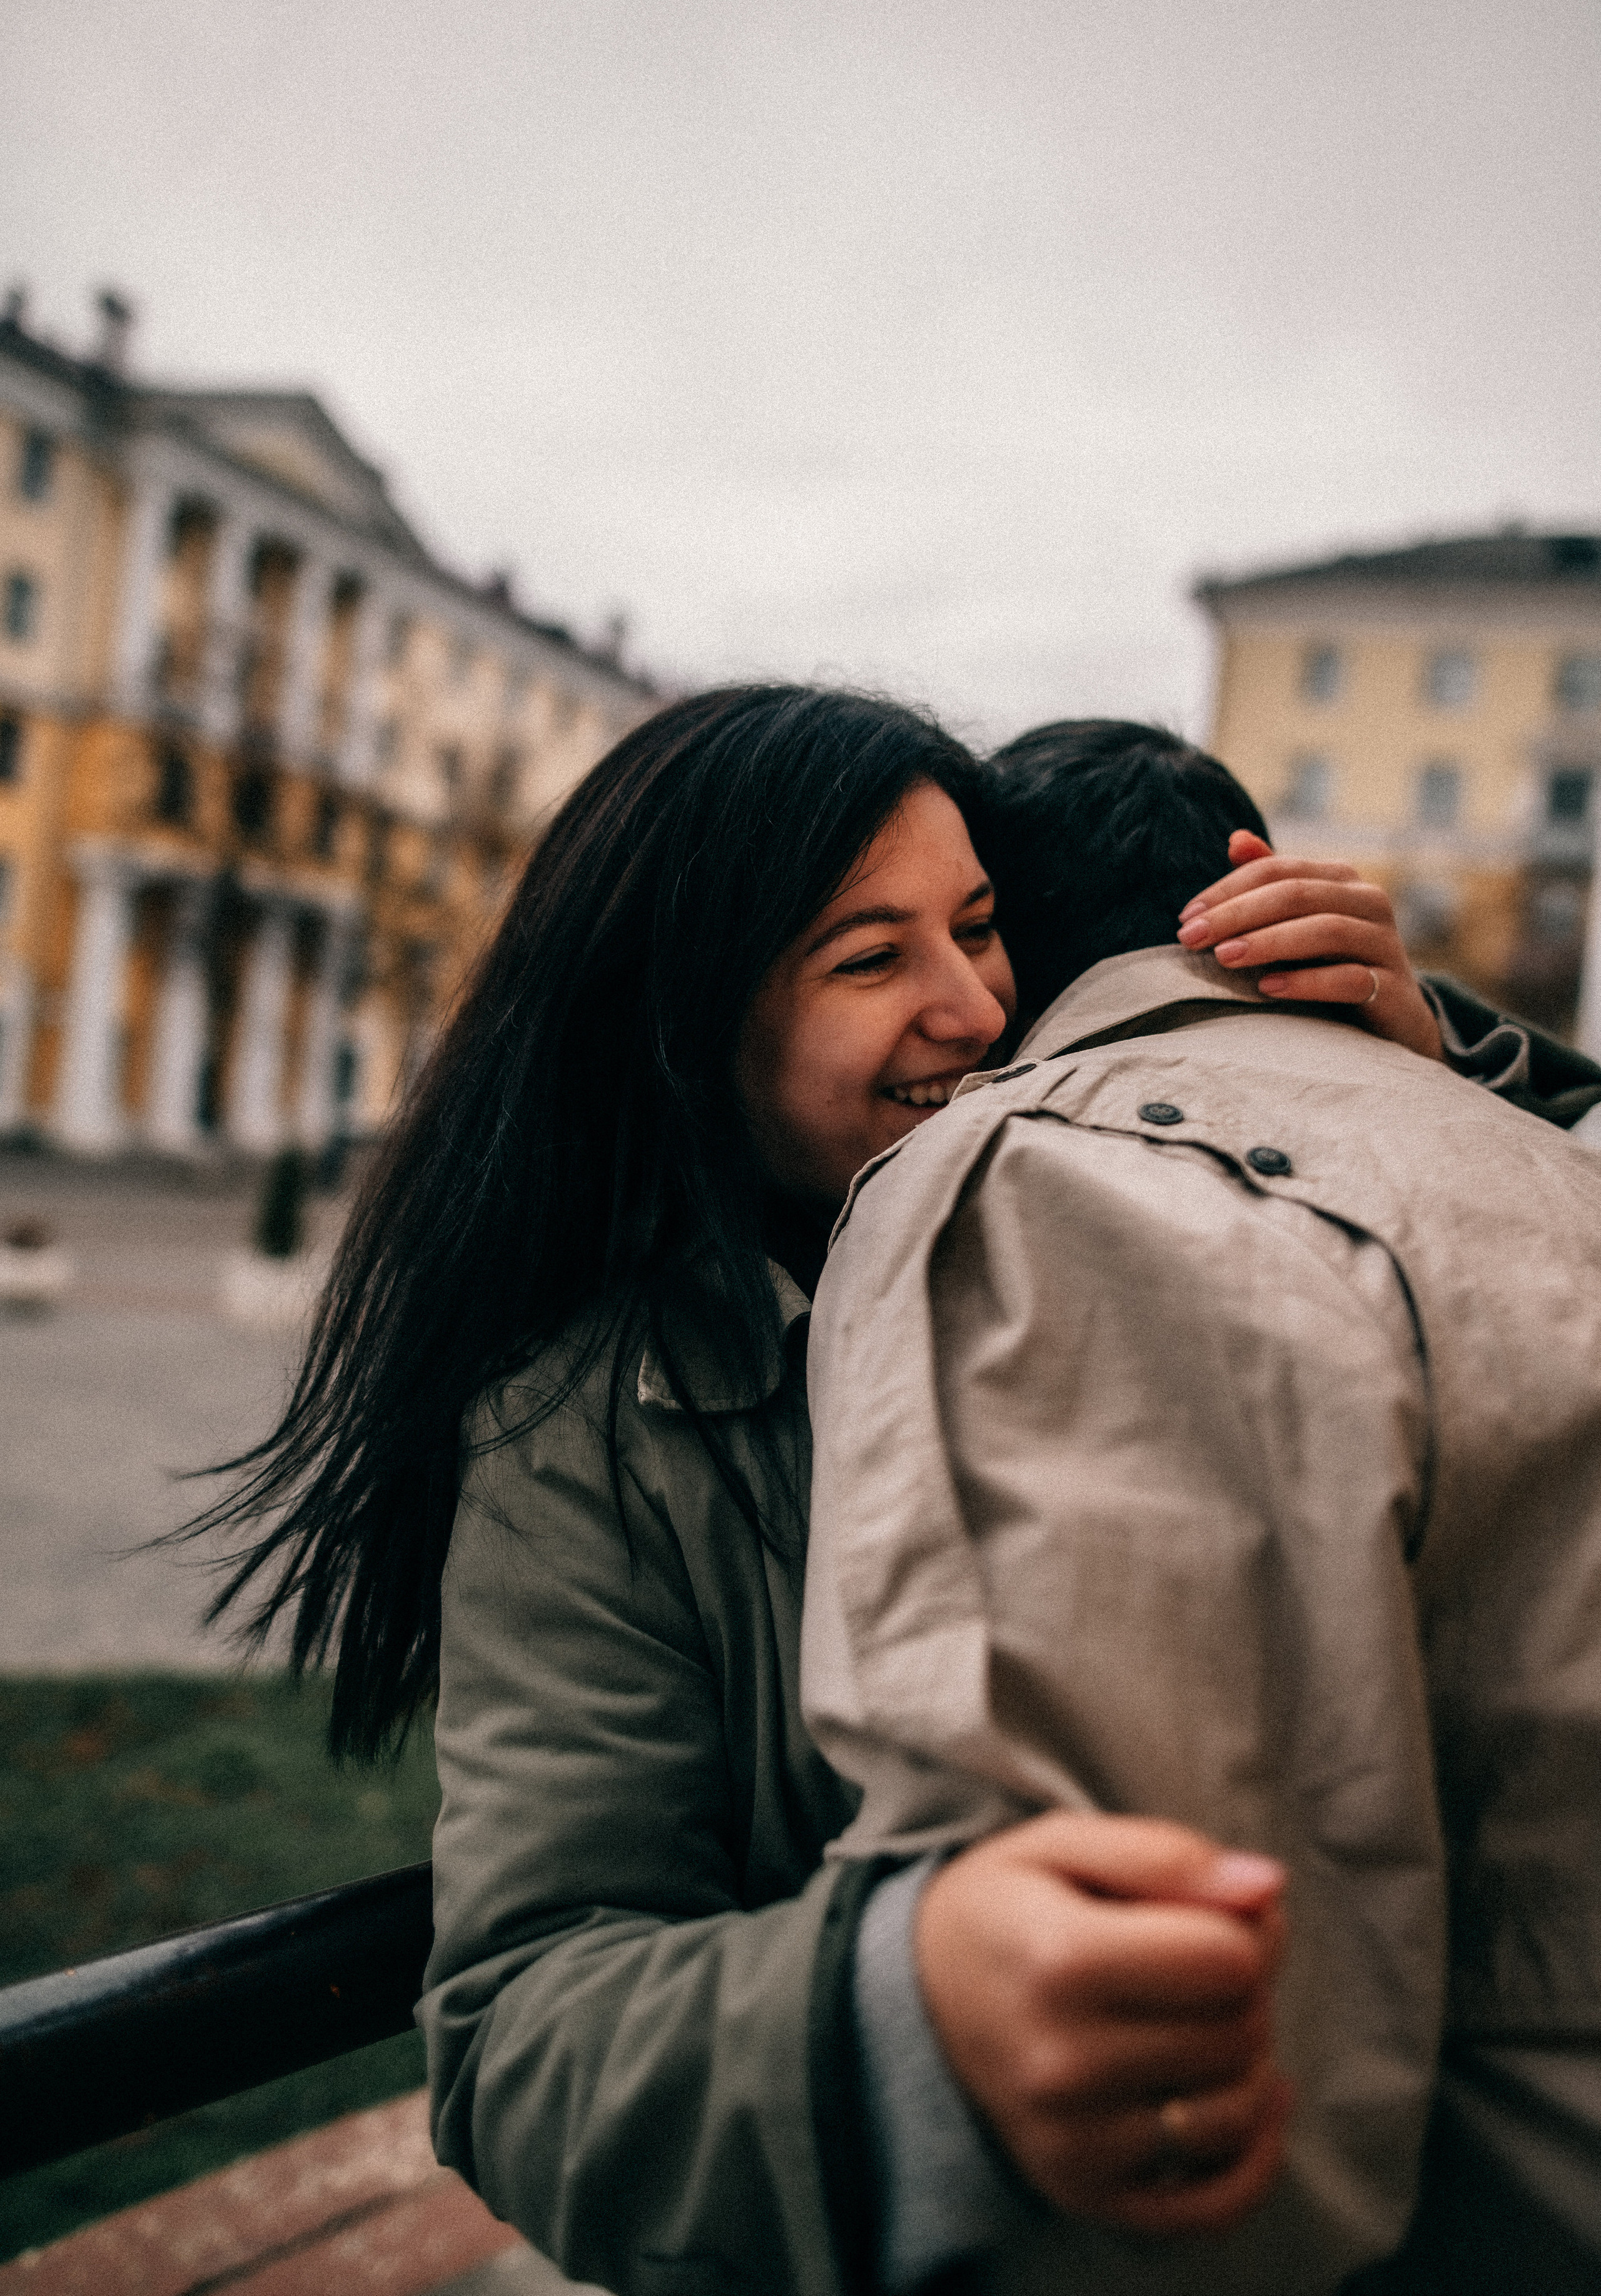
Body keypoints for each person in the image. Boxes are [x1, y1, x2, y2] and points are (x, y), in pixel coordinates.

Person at [187, 690, 1599, 2296]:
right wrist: (904, 2010)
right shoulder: (592, 1422)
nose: (977, 1009)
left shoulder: (1110, 1213)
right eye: (870, 960)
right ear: (687, 1030)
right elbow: (523, 2038)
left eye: (981, 927)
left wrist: (1409, 1065)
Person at [800, 719, 1601, 2295]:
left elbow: (1159, 2014)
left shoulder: (1030, 1177)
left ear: (1010, 947)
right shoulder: (1554, 1156)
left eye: (967, 933)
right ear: (1251, 882)